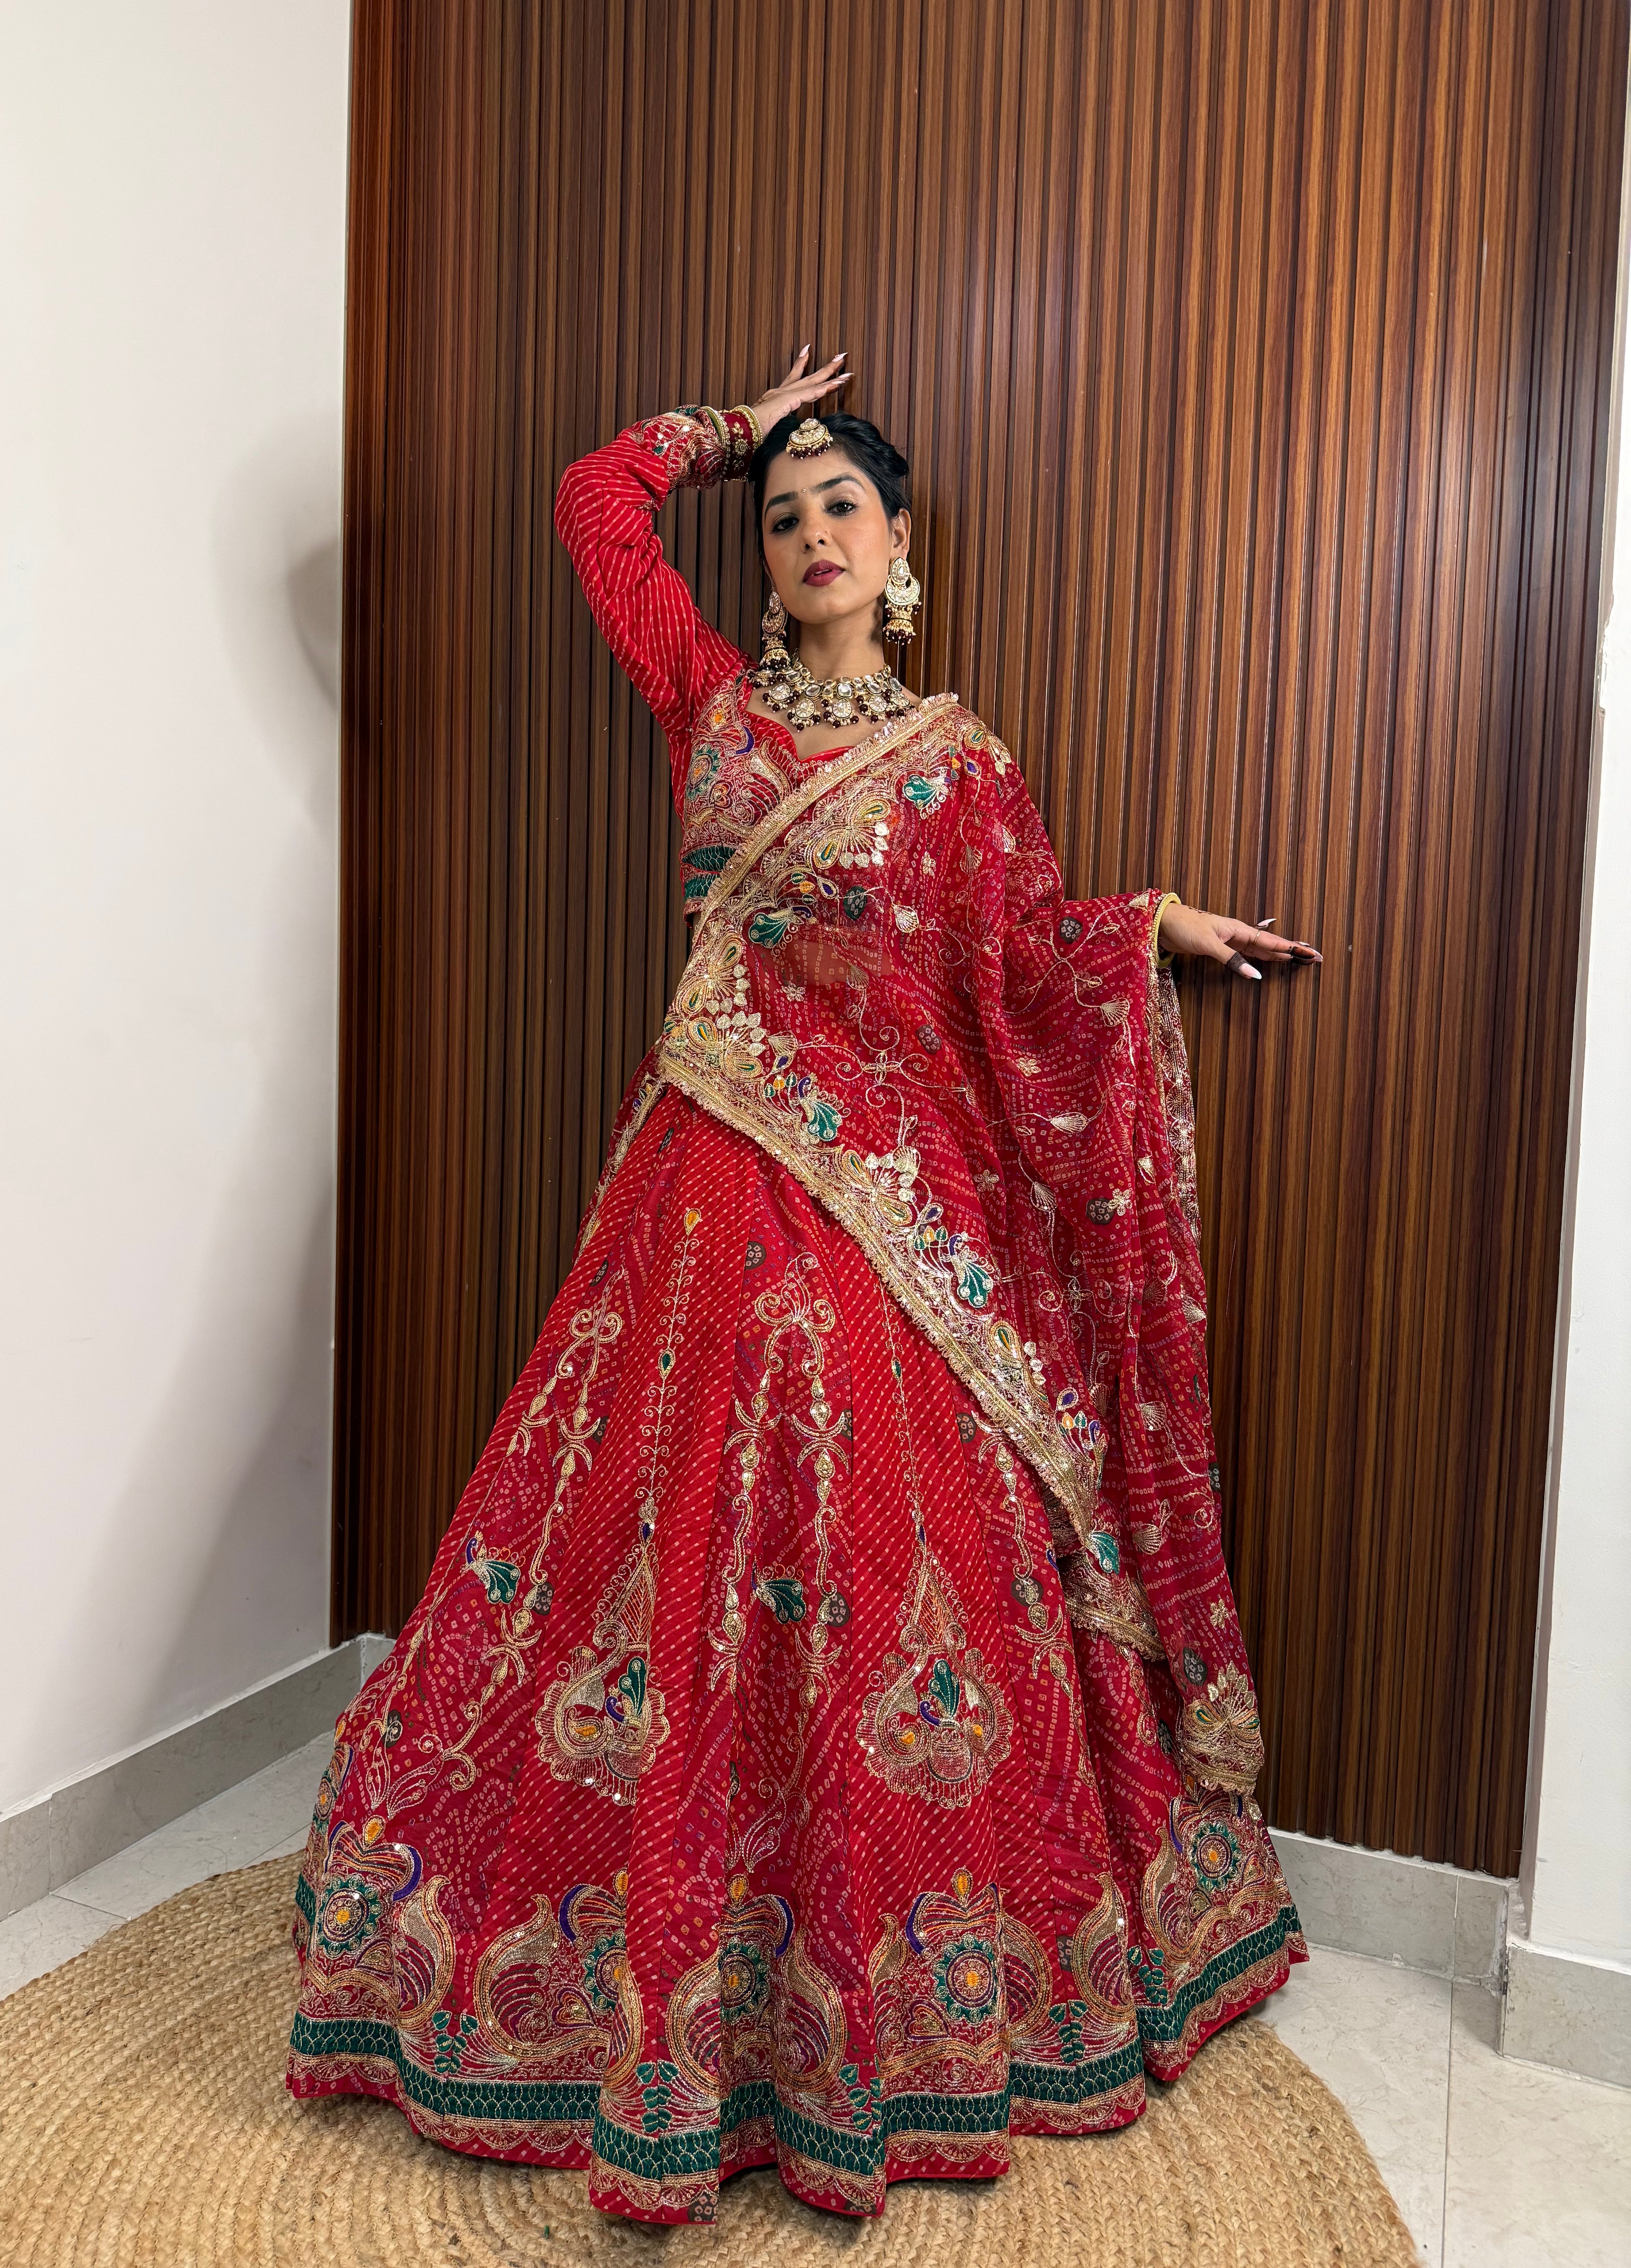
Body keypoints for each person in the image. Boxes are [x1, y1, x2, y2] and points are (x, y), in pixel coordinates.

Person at [285, 350, 1320, 2226]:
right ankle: (641, 2004)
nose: (813, 531)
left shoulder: (964, 767)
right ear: (758, 566)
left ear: (901, 546)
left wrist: (1142, 926)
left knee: (876, 1564)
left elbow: (1007, 972)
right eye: (785, 517)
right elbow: (594, 501)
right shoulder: (708, 709)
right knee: (646, 1575)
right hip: (692, 1209)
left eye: (843, 504)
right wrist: (732, 429)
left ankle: (862, 2016)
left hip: (891, 1239)